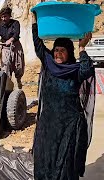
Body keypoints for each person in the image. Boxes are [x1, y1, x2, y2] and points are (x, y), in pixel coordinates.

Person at [31, 13, 96, 180]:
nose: (58, 53)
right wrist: (34, 22)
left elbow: (88, 69)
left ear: (69, 53)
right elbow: (38, 45)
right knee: (45, 159)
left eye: (62, 50)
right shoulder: (49, 64)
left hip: (68, 127)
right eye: (56, 50)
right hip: (48, 125)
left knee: (65, 163)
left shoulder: (75, 70)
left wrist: (82, 49)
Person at [0, 7, 25, 89]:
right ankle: (8, 85)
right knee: (6, 66)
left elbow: (16, 34)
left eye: (5, 16)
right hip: (5, 48)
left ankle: (18, 79)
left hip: (16, 46)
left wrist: (11, 39)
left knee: (19, 66)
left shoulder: (15, 23)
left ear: (9, 16)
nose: (4, 18)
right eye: (2, 17)